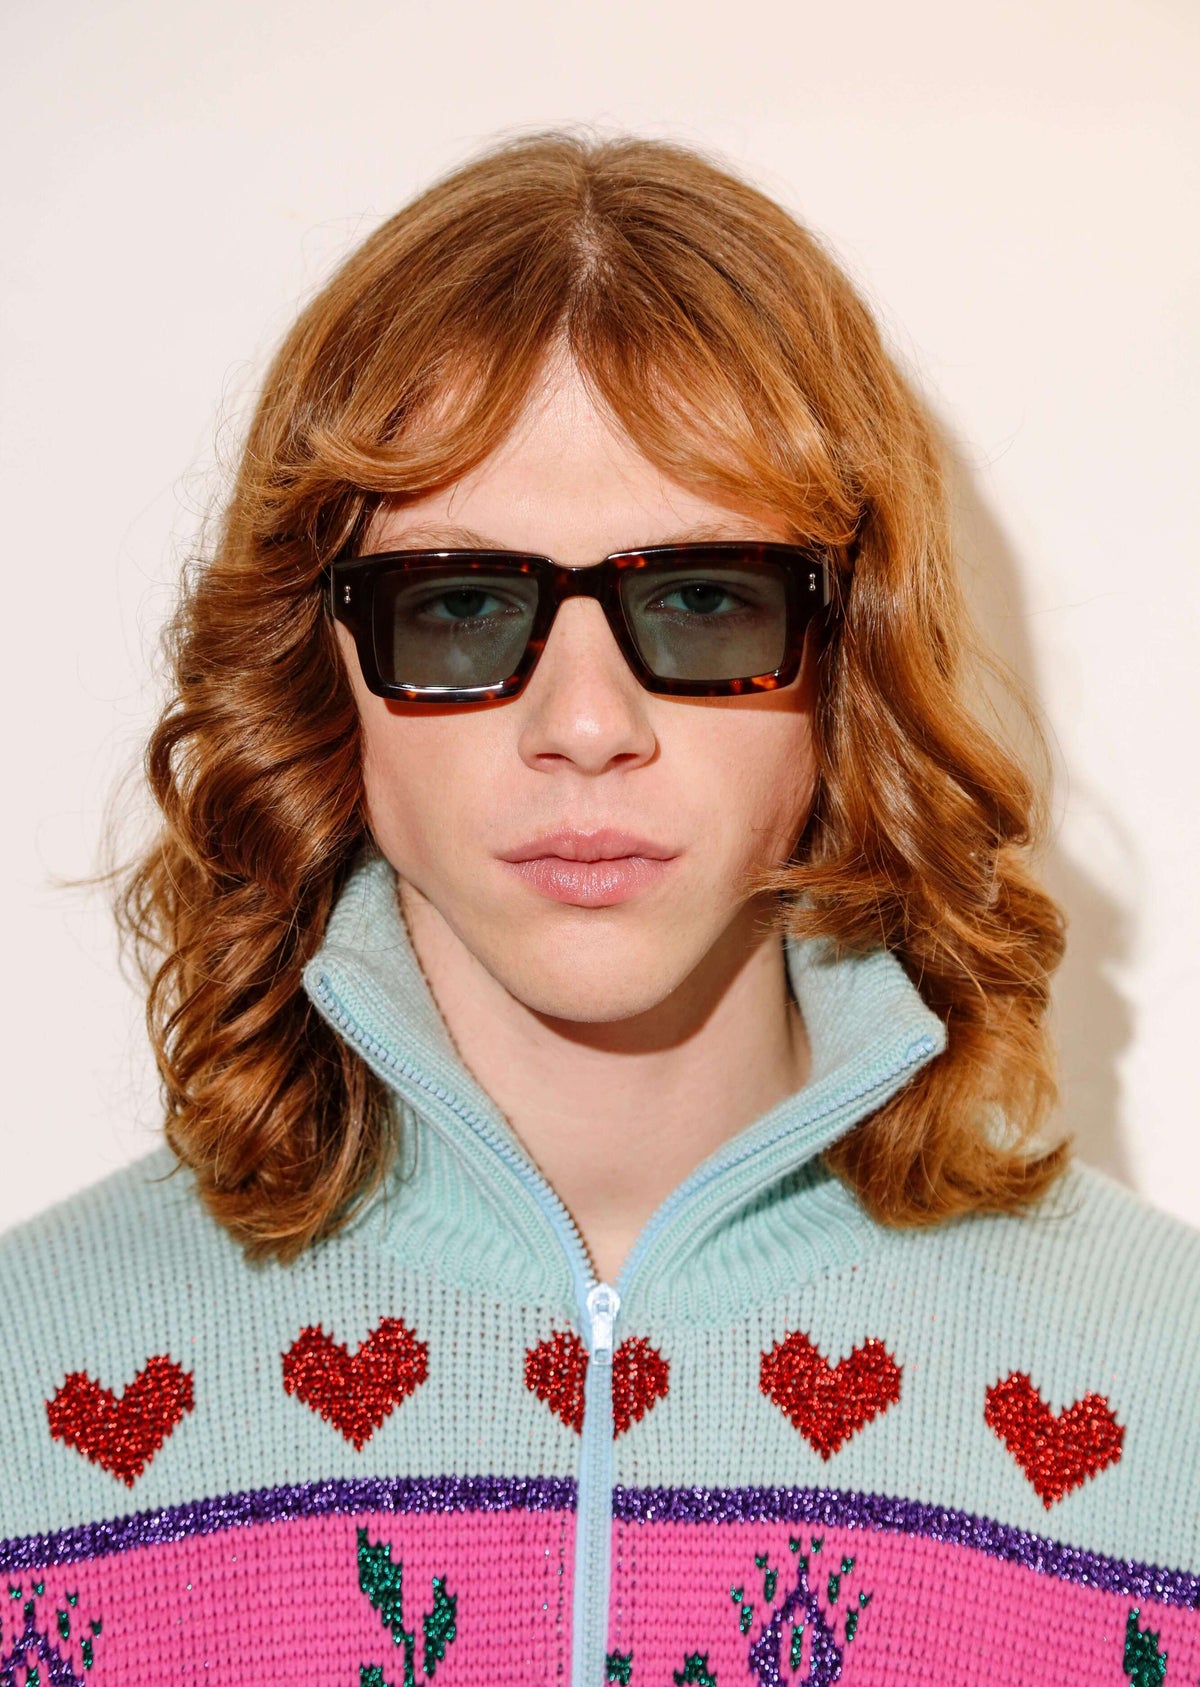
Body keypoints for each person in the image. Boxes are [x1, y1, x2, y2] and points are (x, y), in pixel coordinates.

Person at [0, 132, 1196, 1687]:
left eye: (702, 600)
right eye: (460, 604)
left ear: (851, 660)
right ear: (321, 671)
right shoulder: (28, 1371)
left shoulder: (1169, 1382)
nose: (584, 724)